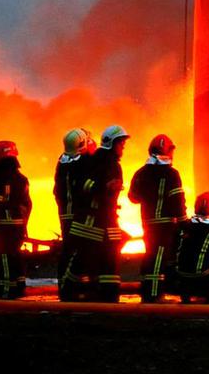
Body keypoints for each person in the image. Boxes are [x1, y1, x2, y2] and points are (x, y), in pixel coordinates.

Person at [68, 125, 129, 302]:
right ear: (112, 143)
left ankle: (107, 296)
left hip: (106, 220)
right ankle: (72, 292)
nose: (123, 147)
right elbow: (81, 187)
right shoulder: (94, 162)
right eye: (121, 143)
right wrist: (104, 187)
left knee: (109, 259)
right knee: (85, 259)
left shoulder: (112, 164)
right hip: (91, 222)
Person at [128, 134, 186, 302]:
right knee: (159, 259)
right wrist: (184, 223)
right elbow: (178, 201)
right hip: (165, 225)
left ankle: (148, 291)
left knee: (150, 255)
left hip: (147, 223)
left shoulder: (142, 172)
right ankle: (154, 295)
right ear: (167, 152)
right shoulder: (172, 174)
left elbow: (133, 197)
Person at [0, 140, 32, 299]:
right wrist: (23, 224)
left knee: (3, 255)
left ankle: (5, 290)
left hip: (2, 225)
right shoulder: (21, 178)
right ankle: (18, 287)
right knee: (14, 255)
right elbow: (27, 205)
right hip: (16, 225)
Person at [55, 127, 95, 301]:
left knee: (68, 251)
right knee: (82, 251)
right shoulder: (84, 162)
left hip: (65, 214)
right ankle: (73, 288)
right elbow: (88, 187)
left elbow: (57, 191)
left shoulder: (62, 162)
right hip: (80, 214)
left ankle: (66, 287)